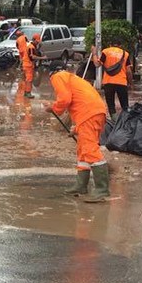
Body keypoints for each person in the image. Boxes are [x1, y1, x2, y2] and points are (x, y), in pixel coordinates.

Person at [45, 69, 110, 202]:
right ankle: (81, 186)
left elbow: (64, 99)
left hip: (89, 114)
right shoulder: (73, 79)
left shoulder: (57, 76)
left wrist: (53, 108)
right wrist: (77, 128)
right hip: (93, 113)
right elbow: (79, 101)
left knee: (89, 150)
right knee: (82, 151)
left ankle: (102, 190)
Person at [93, 41, 132, 116]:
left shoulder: (106, 51)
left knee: (111, 105)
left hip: (108, 82)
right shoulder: (125, 54)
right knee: (125, 106)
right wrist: (130, 83)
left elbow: (97, 64)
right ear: (120, 46)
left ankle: (114, 122)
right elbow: (129, 71)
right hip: (122, 82)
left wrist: (94, 53)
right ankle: (125, 122)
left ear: (110, 44)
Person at [21, 33, 46, 99]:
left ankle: (26, 92)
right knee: (29, 79)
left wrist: (39, 47)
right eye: (37, 42)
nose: (38, 43)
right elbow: (32, 57)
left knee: (28, 79)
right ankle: (28, 93)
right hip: (28, 65)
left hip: (27, 65)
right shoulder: (31, 47)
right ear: (34, 40)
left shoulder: (31, 46)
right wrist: (42, 58)